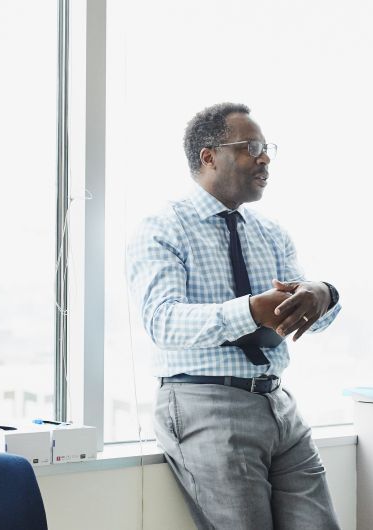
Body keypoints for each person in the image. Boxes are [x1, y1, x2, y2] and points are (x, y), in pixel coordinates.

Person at [128, 102, 342, 529]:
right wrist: (249, 312)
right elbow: (162, 322)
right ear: (209, 156)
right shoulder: (163, 227)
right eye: (252, 147)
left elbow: (311, 314)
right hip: (205, 403)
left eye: (267, 148)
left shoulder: (270, 232)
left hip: (278, 404)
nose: (264, 158)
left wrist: (323, 294)